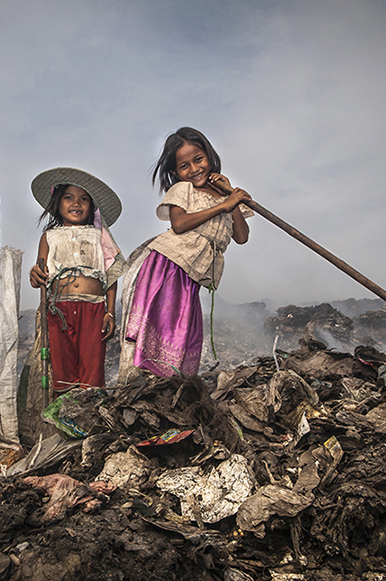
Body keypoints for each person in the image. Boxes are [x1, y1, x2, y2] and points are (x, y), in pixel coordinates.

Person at [118, 127, 252, 380]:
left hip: (191, 274)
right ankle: (150, 384)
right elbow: (179, 224)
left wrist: (230, 195)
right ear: (175, 173)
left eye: (198, 159)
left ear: (210, 156)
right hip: (168, 265)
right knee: (165, 328)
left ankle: (170, 385)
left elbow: (241, 237)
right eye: (184, 166)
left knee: (183, 331)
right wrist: (225, 205)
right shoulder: (183, 189)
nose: (194, 169)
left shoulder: (226, 196)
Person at [29, 167, 127, 393]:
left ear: (92, 207)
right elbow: (39, 276)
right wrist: (35, 274)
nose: (76, 203)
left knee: (92, 368)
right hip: (59, 311)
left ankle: (91, 411)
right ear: (57, 203)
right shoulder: (48, 237)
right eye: (68, 197)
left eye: (84, 199)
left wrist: (110, 312)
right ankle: (65, 412)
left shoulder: (100, 235)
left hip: (93, 309)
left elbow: (112, 275)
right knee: (62, 368)